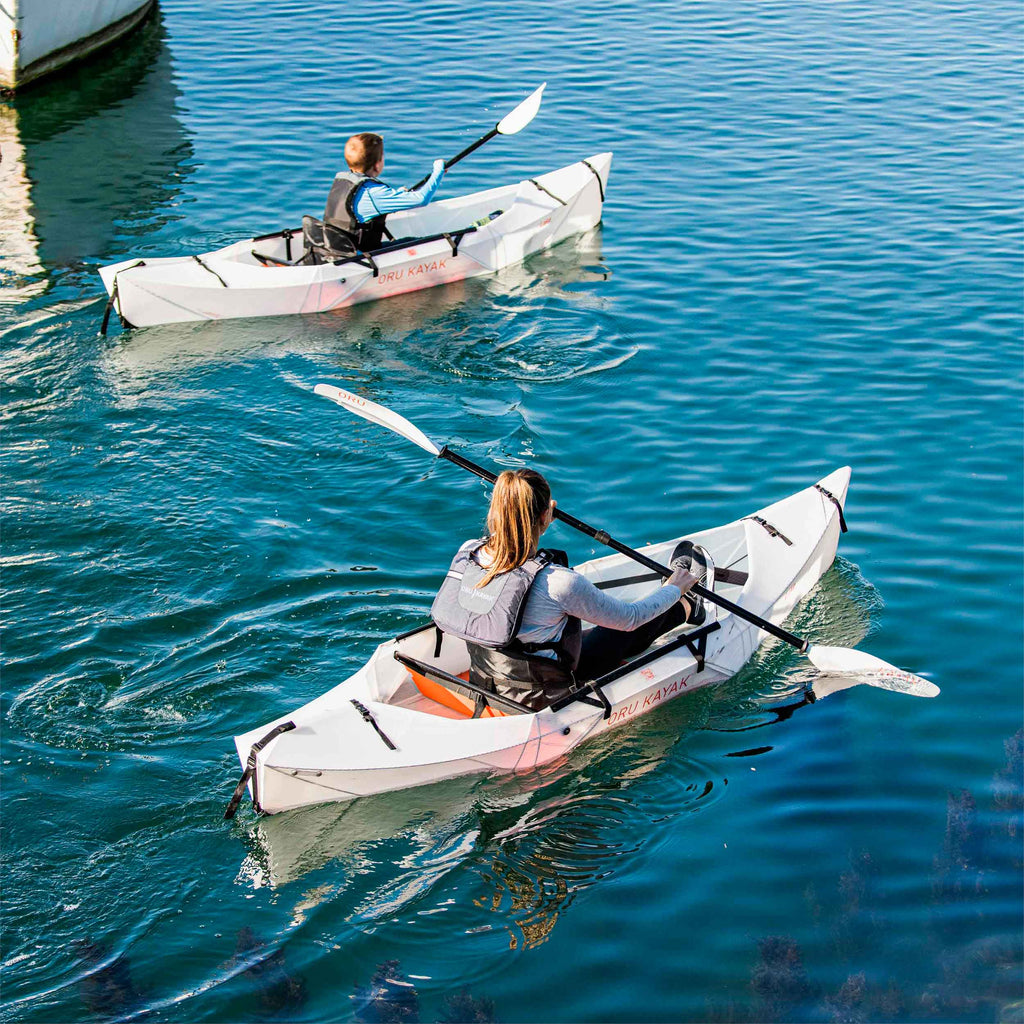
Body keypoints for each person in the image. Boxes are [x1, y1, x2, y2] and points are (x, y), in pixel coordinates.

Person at [431, 469, 707, 711]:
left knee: (577, 634)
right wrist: (674, 588)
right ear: (546, 514)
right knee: (619, 630)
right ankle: (686, 605)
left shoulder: (469, 553)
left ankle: (680, 607)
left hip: (488, 677)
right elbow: (629, 618)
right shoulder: (557, 582)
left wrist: (538, 519)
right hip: (541, 693)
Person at [321, 132, 445, 253]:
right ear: (377, 165)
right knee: (422, 243)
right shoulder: (372, 193)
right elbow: (421, 199)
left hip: (340, 251)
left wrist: (397, 195)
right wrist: (438, 171)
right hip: (363, 259)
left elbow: (366, 205)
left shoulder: (343, 182)